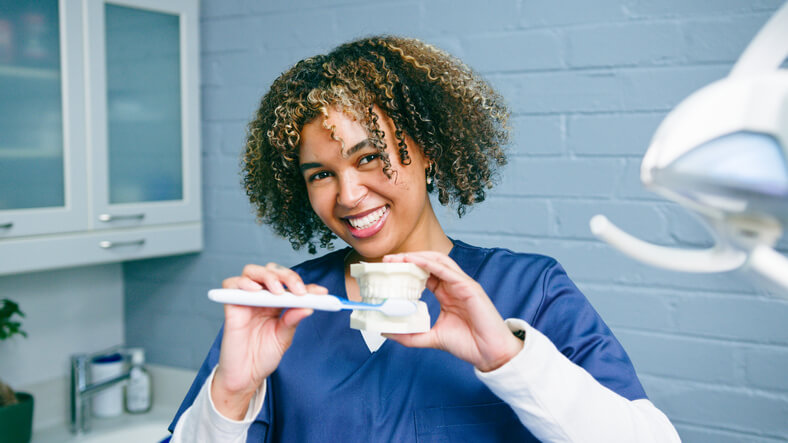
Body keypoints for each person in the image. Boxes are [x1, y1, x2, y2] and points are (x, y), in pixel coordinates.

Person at [170, 36, 680, 442]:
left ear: (429, 148)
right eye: (320, 175)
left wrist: (508, 358)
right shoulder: (282, 310)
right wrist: (231, 397)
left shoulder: (531, 290)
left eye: (369, 158)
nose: (348, 194)